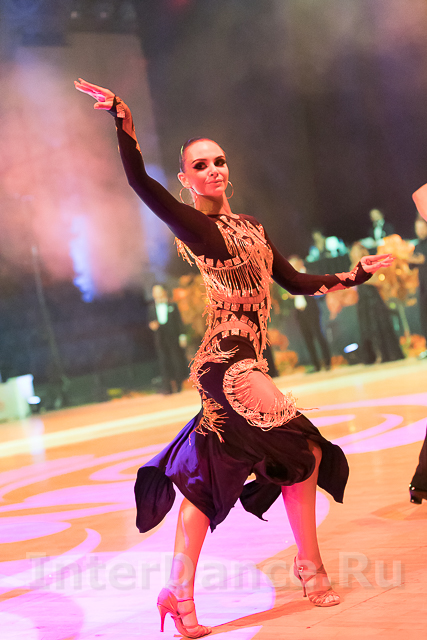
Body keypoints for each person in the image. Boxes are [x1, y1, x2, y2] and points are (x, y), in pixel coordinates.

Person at [75, 79, 394, 638]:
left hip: (247, 363)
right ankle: (311, 568)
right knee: (304, 449)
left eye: (219, 161)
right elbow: (139, 181)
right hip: (227, 367)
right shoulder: (197, 228)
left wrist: (355, 275)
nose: (213, 170)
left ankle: (178, 594)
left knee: (207, 483)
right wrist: (124, 123)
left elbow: (294, 283)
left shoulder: (252, 229)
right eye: (200, 166)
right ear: (186, 179)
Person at [349, 242, 404, 364]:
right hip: (363, 301)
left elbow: (377, 280)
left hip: (373, 299)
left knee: (380, 326)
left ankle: (387, 354)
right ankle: (372, 356)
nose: (353, 253)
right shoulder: (353, 266)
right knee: (367, 329)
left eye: (356, 250)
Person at [287, 255, 331, 372]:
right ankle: (316, 364)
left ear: (300, 263)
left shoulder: (309, 274)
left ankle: (327, 362)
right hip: (300, 312)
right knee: (307, 338)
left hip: (311, 310)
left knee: (318, 334)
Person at [149, 284, 188, 393]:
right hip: (160, 337)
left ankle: (179, 383)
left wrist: (182, 335)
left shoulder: (172, 305)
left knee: (176, 359)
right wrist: (152, 326)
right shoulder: (151, 308)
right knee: (164, 361)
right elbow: (151, 321)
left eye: (159, 291)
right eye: (155, 292)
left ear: (164, 292)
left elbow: (179, 321)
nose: (157, 294)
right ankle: (167, 387)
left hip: (173, 336)